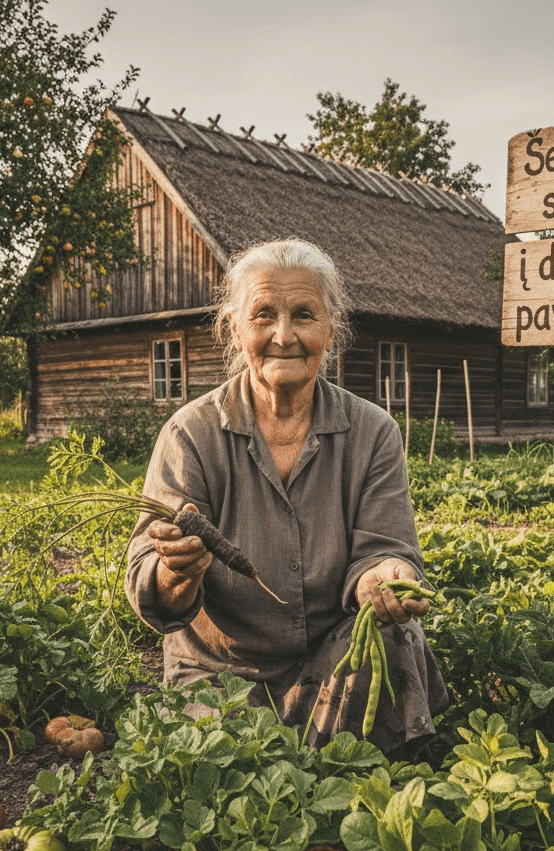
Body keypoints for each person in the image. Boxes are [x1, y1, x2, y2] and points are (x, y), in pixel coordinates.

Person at [125, 237, 448, 757]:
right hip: (221, 673)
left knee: (393, 640)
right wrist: (174, 570)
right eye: (263, 315)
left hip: (335, 659)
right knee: (235, 775)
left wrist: (382, 574)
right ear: (235, 327)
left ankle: (362, 780)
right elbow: (146, 585)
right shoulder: (191, 435)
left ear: (331, 327)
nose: (284, 335)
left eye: (303, 314)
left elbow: (386, 547)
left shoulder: (373, 433)